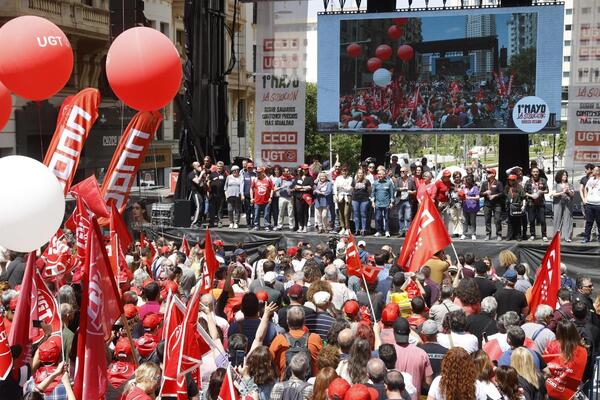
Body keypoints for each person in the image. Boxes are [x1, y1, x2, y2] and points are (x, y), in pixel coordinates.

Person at [269, 306, 322, 380]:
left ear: (287, 321)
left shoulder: (279, 340)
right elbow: (322, 361)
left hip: (286, 385)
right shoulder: (315, 338)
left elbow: (269, 361)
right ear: (304, 321)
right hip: (310, 384)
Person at [543, 319, 588, 400]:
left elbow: (544, 366)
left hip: (551, 390)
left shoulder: (552, 345)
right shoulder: (583, 351)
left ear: (558, 332)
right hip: (571, 393)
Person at [523, 167, 549, 241]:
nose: (535, 173)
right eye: (534, 172)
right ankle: (532, 235)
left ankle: (544, 235)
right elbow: (524, 192)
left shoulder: (543, 180)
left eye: (537, 172)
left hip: (541, 203)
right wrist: (531, 196)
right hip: (531, 203)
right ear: (531, 173)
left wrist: (541, 192)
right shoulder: (528, 181)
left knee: (543, 220)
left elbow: (547, 190)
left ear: (539, 172)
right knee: (531, 220)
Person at [480, 168, 504, 241]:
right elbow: (480, 194)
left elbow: (502, 193)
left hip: (497, 204)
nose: (487, 174)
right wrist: (485, 192)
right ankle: (488, 234)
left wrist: (494, 196)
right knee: (487, 220)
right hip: (487, 204)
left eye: (489, 173)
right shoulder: (484, 183)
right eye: (487, 173)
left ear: (494, 174)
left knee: (497, 220)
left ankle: (499, 234)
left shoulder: (498, 183)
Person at [371, 167, 395, 237]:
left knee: (387, 218)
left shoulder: (389, 183)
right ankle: (379, 231)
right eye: (378, 174)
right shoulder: (375, 183)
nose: (379, 176)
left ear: (384, 175)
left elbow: (392, 193)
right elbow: (373, 193)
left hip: (386, 204)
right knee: (378, 218)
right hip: (378, 204)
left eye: (381, 174)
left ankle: (387, 231)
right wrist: (373, 202)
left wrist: (391, 202)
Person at [552, 170, 574, 242]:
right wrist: (562, 192)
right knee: (557, 220)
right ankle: (556, 237)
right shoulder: (556, 184)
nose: (565, 176)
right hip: (558, 203)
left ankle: (567, 237)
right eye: (564, 175)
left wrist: (568, 191)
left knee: (568, 219)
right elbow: (553, 194)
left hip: (567, 203)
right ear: (560, 176)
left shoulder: (569, 184)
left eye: (566, 175)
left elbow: (572, 195)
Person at [292, 165, 314, 233]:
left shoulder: (310, 178)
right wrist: (304, 187)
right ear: (301, 170)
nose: (305, 170)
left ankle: (305, 226)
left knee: (305, 212)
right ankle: (300, 226)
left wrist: (300, 187)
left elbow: (310, 187)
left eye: (307, 169)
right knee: (298, 211)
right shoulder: (298, 177)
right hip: (298, 197)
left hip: (306, 197)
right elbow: (294, 186)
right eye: (304, 169)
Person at [504, 175, 526, 241]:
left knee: (518, 222)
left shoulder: (519, 187)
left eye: (512, 180)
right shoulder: (507, 187)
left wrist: (523, 205)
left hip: (517, 207)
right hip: (509, 207)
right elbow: (505, 195)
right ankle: (509, 235)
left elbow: (524, 197)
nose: (510, 181)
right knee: (510, 222)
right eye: (509, 180)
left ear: (515, 180)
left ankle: (518, 236)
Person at [395, 166, 416, 237]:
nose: (401, 173)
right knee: (400, 217)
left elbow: (415, 190)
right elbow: (395, 188)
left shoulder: (411, 180)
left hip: (408, 200)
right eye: (400, 171)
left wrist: (411, 192)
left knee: (408, 217)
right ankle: (401, 231)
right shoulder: (398, 179)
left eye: (403, 171)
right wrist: (401, 189)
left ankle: (407, 231)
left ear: (407, 172)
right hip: (400, 200)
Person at [582, 165, 600, 243]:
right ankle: (586, 238)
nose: (593, 171)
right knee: (589, 222)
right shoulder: (591, 179)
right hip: (589, 204)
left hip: (598, 205)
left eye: (596, 170)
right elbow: (585, 188)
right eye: (593, 170)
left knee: (599, 222)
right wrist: (585, 198)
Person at [334, 165, 353, 235]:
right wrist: (335, 195)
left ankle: (348, 228)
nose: (344, 172)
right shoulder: (338, 178)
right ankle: (343, 228)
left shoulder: (350, 178)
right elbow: (335, 187)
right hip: (340, 196)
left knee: (346, 213)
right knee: (340, 212)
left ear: (348, 171)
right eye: (343, 170)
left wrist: (341, 187)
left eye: (346, 170)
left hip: (347, 196)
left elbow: (350, 188)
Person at [352, 168, 372, 236]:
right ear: (357, 174)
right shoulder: (354, 181)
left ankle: (363, 230)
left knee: (363, 214)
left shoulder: (367, 181)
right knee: (356, 215)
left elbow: (370, 190)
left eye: (361, 173)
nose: (360, 174)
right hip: (355, 200)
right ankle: (357, 230)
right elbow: (352, 190)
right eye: (359, 173)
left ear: (363, 174)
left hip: (364, 200)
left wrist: (367, 197)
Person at [275, 167, 295, 231]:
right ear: (283, 172)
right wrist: (281, 187)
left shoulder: (292, 179)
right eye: (287, 171)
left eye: (289, 171)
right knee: (281, 213)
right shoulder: (279, 179)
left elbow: (295, 187)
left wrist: (292, 190)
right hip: (282, 198)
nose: (288, 172)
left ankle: (291, 226)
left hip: (290, 198)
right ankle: (280, 226)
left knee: (290, 213)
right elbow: (275, 189)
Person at [207, 161, 226, 228]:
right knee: (212, 209)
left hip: (221, 195)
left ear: (223, 167)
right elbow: (208, 183)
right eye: (218, 166)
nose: (219, 168)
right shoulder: (212, 174)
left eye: (220, 167)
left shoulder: (225, 174)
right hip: (212, 195)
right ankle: (211, 222)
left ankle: (219, 222)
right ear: (216, 167)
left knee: (220, 210)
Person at [460, 176, 480, 241]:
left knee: (472, 221)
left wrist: (469, 198)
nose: (464, 182)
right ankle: (464, 234)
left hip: (473, 207)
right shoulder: (463, 187)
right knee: (465, 221)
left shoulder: (475, 188)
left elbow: (478, 197)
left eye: (465, 181)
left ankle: (473, 234)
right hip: (465, 206)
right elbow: (461, 195)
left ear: (469, 182)